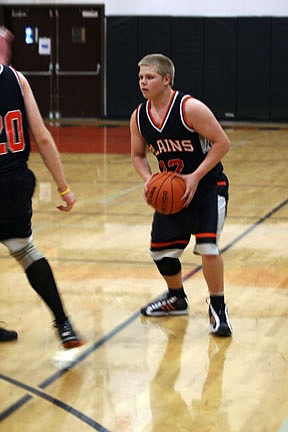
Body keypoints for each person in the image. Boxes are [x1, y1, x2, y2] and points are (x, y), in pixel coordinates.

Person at [130, 53, 232, 337]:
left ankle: (218, 308)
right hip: (172, 192)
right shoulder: (139, 116)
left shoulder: (190, 108)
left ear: (166, 80)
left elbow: (222, 142)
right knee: (160, 252)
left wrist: (195, 176)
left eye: (149, 77)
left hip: (208, 186)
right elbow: (137, 156)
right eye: (140, 77)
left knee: (208, 247)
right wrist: (150, 180)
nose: (143, 82)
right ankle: (176, 297)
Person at [0, 26, 83, 347]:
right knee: (25, 250)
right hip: (14, 184)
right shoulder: (17, 80)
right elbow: (44, 138)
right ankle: (63, 324)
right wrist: (64, 188)